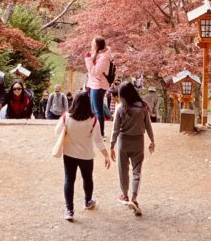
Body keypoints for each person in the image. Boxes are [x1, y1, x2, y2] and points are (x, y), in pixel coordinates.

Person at [54, 92, 110, 221]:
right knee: (87, 178)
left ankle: (69, 210)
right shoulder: (93, 120)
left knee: (69, 180)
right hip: (86, 155)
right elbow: (98, 140)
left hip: (69, 154)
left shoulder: (66, 117)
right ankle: (88, 201)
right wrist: (105, 155)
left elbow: (57, 132)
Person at [109, 81, 156, 217]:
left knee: (123, 170)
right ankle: (134, 198)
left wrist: (112, 145)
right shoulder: (143, 108)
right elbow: (148, 126)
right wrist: (152, 140)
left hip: (123, 142)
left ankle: (124, 195)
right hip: (138, 142)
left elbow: (115, 129)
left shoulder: (120, 109)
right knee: (137, 171)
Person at [84, 36, 113, 136]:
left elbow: (94, 71)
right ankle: (95, 131)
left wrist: (88, 59)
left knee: (97, 110)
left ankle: (100, 133)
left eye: (93, 43)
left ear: (97, 45)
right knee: (94, 109)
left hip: (99, 85)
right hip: (94, 84)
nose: (91, 45)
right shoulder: (99, 54)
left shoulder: (104, 57)